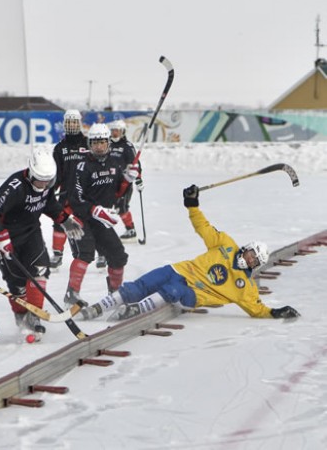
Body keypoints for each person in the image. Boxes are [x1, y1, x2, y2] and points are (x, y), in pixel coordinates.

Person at [76, 185, 300, 322]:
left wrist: (275, 312)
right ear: (247, 247)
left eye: (255, 260)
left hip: (192, 294)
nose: (250, 259)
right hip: (179, 270)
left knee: (173, 290)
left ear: (256, 265)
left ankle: (134, 311)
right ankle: (100, 307)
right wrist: (192, 205)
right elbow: (203, 227)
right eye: (252, 253)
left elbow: (256, 309)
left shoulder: (245, 287)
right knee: (143, 284)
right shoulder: (226, 244)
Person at [0, 147, 83, 341]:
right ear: (31, 173)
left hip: (31, 232)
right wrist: (0, 237)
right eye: (40, 180)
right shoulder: (16, 186)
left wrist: (64, 218)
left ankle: (35, 316)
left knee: (40, 269)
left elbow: (48, 204)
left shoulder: (47, 185)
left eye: (48, 181)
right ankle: (21, 316)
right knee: (17, 283)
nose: (43, 185)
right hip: (6, 238)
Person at [64, 123, 139, 309]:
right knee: (85, 253)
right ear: (89, 143)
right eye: (95, 142)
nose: (98, 146)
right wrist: (95, 210)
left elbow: (117, 194)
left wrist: (127, 180)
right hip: (79, 218)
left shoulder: (114, 164)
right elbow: (75, 198)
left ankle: (115, 295)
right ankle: (71, 295)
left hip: (100, 219)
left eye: (102, 142)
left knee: (118, 256)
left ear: (108, 143)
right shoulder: (82, 166)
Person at [49, 109, 88, 269]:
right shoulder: (59, 148)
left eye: (74, 122)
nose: (71, 125)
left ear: (79, 124)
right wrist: (50, 190)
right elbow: (56, 173)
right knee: (59, 222)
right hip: (66, 194)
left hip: (85, 194)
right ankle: (57, 255)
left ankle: (102, 254)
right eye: (69, 122)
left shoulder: (88, 143)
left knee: (92, 224)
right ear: (65, 124)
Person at [108, 119, 142, 241]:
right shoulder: (107, 144)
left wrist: (138, 179)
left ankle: (130, 230)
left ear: (122, 131)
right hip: (109, 181)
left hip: (124, 182)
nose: (114, 133)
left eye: (117, 131)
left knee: (121, 207)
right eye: (112, 131)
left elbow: (136, 164)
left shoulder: (127, 146)